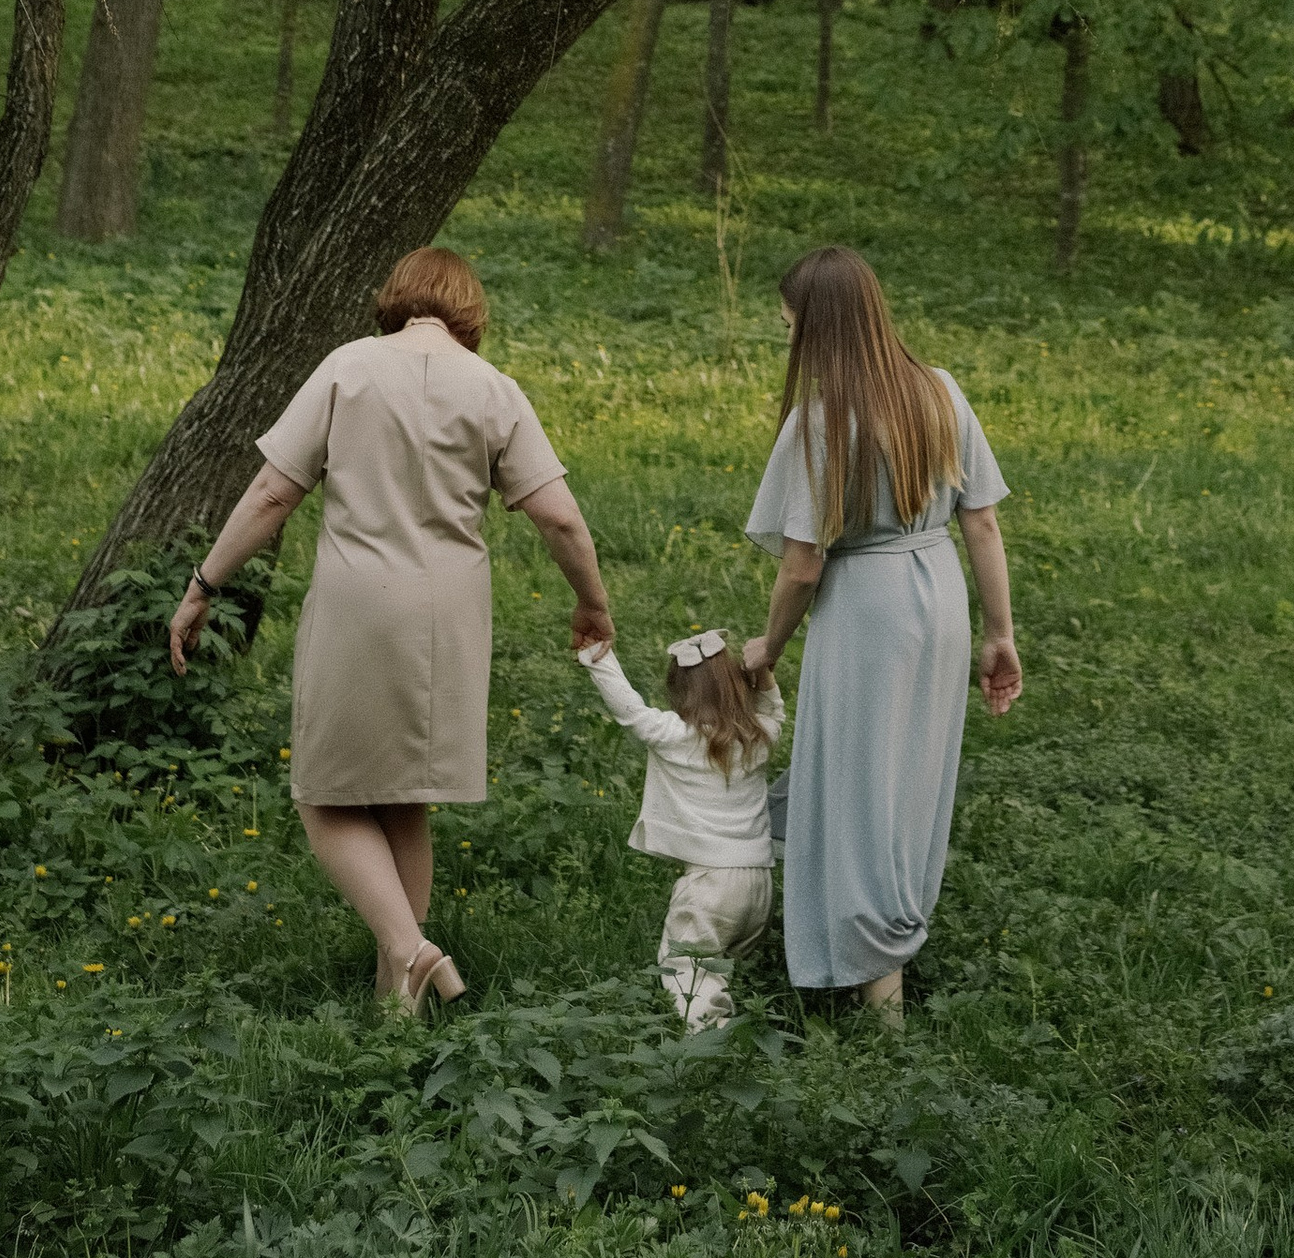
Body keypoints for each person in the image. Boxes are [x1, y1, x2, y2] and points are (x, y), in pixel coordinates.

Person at [168, 242, 613, 1010]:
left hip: (358, 602)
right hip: (452, 613)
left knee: (324, 795)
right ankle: (396, 996)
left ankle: (410, 954)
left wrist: (205, 582)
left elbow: (275, 494)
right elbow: (560, 518)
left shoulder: (348, 368)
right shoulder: (492, 387)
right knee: (406, 794)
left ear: (397, 298)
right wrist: (592, 603)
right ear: (469, 313)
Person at [743, 245, 1021, 1015]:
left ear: (817, 329)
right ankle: (880, 938)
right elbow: (985, 522)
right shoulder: (940, 392)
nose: (787, 337)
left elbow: (802, 566)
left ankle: (879, 998)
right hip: (940, 603)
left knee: (860, 787)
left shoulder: (823, 419)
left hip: (867, 607)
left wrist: (768, 647)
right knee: (908, 786)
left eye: (791, 324)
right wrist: (999, 633)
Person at [578, 624, 784, 1027]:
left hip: (710, 885)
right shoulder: (759, 736)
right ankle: (742, 1028)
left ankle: (709, 1050)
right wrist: (764, 674)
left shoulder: (676, 736)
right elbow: (774, 710)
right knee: (719, 965)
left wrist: (600, 659)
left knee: (687, 971)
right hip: (760, 881)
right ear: (739, 686)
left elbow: (631, 711)